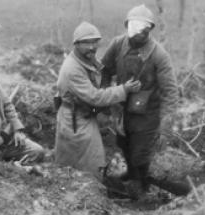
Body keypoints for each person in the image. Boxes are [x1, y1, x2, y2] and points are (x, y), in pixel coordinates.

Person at [101, 5, 190, 197]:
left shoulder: (159, 55)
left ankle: (141, 191)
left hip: (148, 113)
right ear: (127, 26)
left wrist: (165, 129)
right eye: (135, 26)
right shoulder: (118, 45)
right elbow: (105, 70)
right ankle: (134, 178)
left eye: (144, 27)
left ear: (150, 29)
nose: (139, 31)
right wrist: (107, 99)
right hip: (122, 109)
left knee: (141, 156)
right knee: (124, 145)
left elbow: (170, 93)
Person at [55, 21, 141, 177]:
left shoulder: (86, 59)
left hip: (83, 114)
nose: (92, 47)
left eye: (95, 42)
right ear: (76, 44)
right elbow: (95, 97)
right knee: (88, 163)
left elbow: (100, 75)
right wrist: (123, 89)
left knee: (83, 162)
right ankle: (90, 190)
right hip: (75, 120)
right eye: (87, 43)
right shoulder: (72, 69)